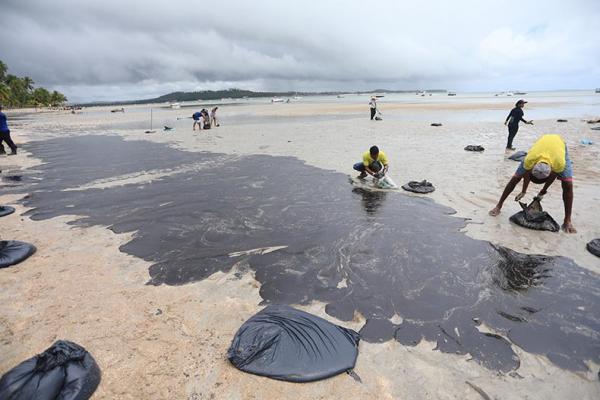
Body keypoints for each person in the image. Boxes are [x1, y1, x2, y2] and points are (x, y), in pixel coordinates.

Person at [489, 134, 576, 233]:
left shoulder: (559, 164)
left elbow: (553, 176)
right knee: (515, 178)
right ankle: (499, 205)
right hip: (541, 144)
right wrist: (523, 191)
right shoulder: (529, 160)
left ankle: (567, 220)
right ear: (531, 168)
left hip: (559, 146)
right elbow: (516, 179)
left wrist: (543, 191)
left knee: (568, 185)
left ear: (551, 170)